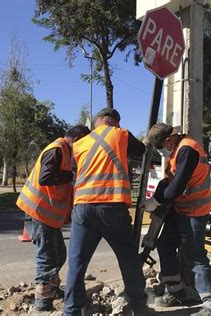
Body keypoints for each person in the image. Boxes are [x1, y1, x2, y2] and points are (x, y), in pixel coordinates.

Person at [64, 108, 150, 316]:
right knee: (128, 260)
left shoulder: (79, 143)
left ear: (97, 123)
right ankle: (139, 308)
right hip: (112, 207)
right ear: (113, 122)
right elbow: (141, 150)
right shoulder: (120, 134)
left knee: (76, 263)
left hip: (82, 208)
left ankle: (71, 311)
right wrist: (146, 141)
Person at [142, 123, 211, 316]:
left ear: (169, 139)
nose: (162, 151)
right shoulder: (178, 149)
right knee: (166, 244)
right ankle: (176, 291)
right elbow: (168, 181)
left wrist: (157, 201)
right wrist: (154, 199)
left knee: (194, 256)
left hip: (195, 210)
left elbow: (177, 186)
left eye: (162, 146)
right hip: (181, 209)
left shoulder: (187, 149)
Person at [16, 125, 91, 311]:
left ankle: (52, 288)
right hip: (39, 212)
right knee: (47, 257)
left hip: (47, 215)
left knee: (58, 254)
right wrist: (71, 175)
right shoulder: (57, 150)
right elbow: (45, 178)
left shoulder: (65, 151)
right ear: (77, 139)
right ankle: (42, 301)